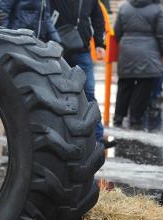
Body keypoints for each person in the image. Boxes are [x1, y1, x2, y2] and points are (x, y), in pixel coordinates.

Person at [49, 0, 115, 149]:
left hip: (82, 49)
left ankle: (98, 136)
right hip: (59, 49)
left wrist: (100, 43)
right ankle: (60, 136)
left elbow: (98, 18)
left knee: (89, 93)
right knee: (58, 93)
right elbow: (45, 14)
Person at [113, 0, 163, 129]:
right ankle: (135, 118)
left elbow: (117, 31)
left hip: (127, 50)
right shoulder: (157, 8)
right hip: (148, 52)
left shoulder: (124, 7)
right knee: (144, 85)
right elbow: (162, 33)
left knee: (125, 84)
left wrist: (126, 42)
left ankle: (118, 117)